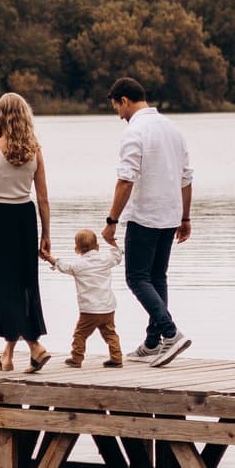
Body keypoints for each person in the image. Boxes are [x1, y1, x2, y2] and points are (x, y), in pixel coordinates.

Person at [100, 76, 192, 367]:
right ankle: (153, 343)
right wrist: (185, 217)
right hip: (170, 214)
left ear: (124, 101)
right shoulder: (173, 130)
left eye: (117, 107)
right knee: (157, 277)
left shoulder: (134, 132)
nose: (118, 114)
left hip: (144, 216)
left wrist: (112, 220)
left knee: (136, 278)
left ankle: (170, 332)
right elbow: (186, 178)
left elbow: (125, 180)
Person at [0, 91, 53, 372]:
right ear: (25, 116)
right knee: (26, 283)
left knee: (6, 285)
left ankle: (35, 346)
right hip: (26, 217)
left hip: (1, 217)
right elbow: (42, 197)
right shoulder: (35, 150)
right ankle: (8, 354)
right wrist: (46, 234)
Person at [48, 228, 123, 368]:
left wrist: (49, 258)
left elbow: (62, 265)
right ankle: (117, 358)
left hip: (89, 310)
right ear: (98, 246)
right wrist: (112, 243)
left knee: (80, 334)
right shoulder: (105, 260)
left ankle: (76, 358)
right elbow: (117, 256)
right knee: (110, 333)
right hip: (108, 308)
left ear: (76, 249)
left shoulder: (78, 265)